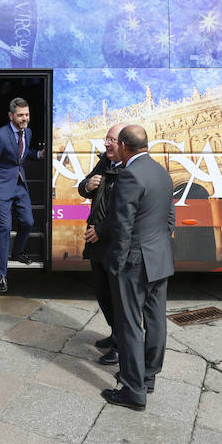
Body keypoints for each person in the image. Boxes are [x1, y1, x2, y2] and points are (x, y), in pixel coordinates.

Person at [101, 124, 174, 412]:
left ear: (123, 145)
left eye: (115, 144)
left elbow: (123, 226)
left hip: (134, 261)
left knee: (130, 324)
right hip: (160, 257)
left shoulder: (129, 175)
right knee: (156, 320)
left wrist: (116, 264)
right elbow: (169, 218)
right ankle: (148, 377)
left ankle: (133, 391)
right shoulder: (161, 171)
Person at [0, 97, 42, 292]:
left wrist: (38, 155)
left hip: (19, 185)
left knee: (28, 222)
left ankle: (17, 252)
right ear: (11, 116)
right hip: (1, 188)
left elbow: (20, 154)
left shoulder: (28, 132)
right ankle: (1, 274)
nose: (25, 118)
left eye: (27, 115)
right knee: (5, 229)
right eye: (21, 115)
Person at [80, 122, 128, 365]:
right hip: (96, 241)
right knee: (102, 292)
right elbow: (84, 186)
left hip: (112, 243)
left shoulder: (129, 171)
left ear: (123, 144)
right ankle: (114, 333)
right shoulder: (104, 163)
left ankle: (121, 346)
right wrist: (87, 186)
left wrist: (101, 230)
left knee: (117, 296)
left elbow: (124, 213)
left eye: (111, 140)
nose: (106, 143)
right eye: (106, 139)